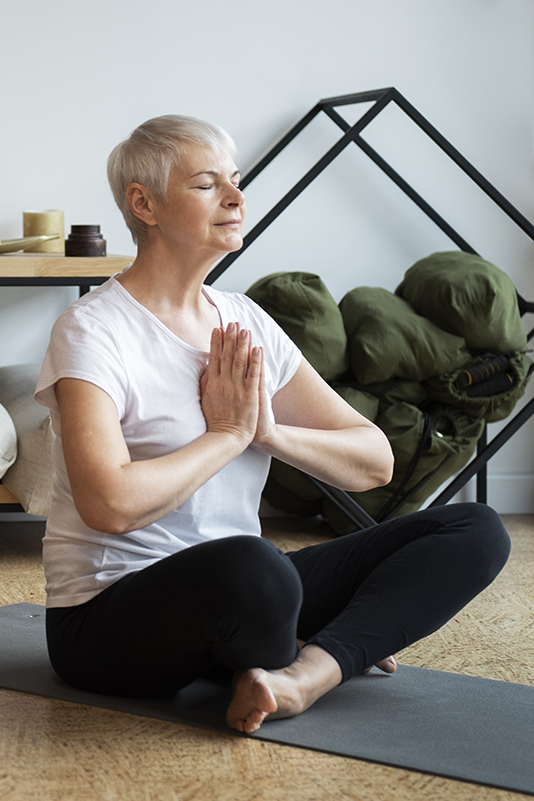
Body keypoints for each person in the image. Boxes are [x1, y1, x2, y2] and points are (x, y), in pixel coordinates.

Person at [35, 115, 510, 734]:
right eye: (208, 185)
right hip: (106, 617)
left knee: (474, 529)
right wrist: (225, 437)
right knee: (259, 571)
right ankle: (322, 641)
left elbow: (374, 461)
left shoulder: (244, 320)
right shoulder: (94, 329)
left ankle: (302, 674)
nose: (235, 198)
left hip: (241, 594)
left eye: (235, 181)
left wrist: (268, 434)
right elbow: (109, 505)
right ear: (143, 204)